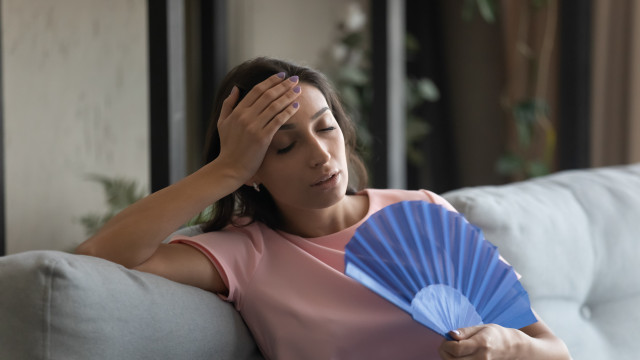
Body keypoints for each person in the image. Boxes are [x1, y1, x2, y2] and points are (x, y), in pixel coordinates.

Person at [76, 57, 570, 360]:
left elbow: (554, 351)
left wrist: (505, 346)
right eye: (284, 147)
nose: (319, 154)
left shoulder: (423, 212)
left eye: (325, 126)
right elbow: (101, 253)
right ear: (254, 170)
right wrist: (226, 170)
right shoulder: (246, 254)